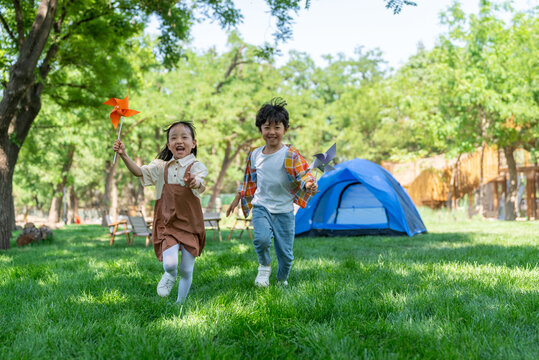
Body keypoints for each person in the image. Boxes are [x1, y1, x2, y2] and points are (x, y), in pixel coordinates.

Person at [226, 98, 318, 287]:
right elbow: (249, 180)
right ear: (260, 129)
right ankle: (264, 267)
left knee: (285, 254)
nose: (272, 132)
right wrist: (237, 198)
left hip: (284, 210)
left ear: (285, 129)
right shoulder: (255, 154)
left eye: (277, 127)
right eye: (267, 127)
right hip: (261, 207)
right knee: (261, 239)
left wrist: (309, 184)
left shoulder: (290, 154)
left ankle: (282, 279)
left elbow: (304, 173)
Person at [113, 121, 208, 303]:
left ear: (193, 143)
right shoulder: (160, 167)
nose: (179, 141)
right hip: (167, 222)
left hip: (190, 224)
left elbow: (200, 182)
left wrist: (194, 182)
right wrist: (123, 155)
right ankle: (170, 275)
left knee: (187, 269)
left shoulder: (196, 167)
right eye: (173, 138)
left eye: (184, 137)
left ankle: (180, 304)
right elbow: (138, 172)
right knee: (170, 263)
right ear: (168, 144)